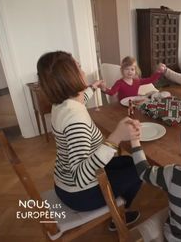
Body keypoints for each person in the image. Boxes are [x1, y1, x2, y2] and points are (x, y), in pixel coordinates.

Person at [37, 51, 142, 230]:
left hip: (64, 183)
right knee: (140, 169)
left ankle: (119, 207)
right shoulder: (75, 119)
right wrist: (116, 136)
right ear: (70, 76)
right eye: (78, 66)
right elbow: (81, 176)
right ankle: (118, 217)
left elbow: (80, 99)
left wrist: (93, 87)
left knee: (129, 161)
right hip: (80, 194)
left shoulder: (61, 104)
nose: (83, 70)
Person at [100, 56, 166, 101]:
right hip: (121, 106)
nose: (130, 72)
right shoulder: (119, 83)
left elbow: (150, 80)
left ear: (135, 70)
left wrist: (158, 72)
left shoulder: (137, 81)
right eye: (127, 69)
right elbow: (112, 92)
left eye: (132, 69)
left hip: (134, 104)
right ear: (122, 70)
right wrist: (104, 88)